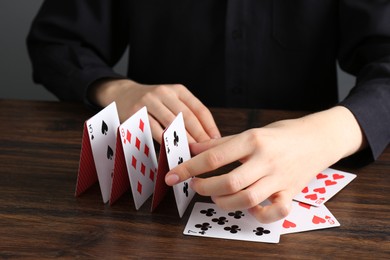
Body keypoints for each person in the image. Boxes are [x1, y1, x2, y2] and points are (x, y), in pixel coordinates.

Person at [27, 0, 390, 223]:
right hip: (156, 182)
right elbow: (55, 42)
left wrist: (327, 135)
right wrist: (114, 88)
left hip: (313, 178)